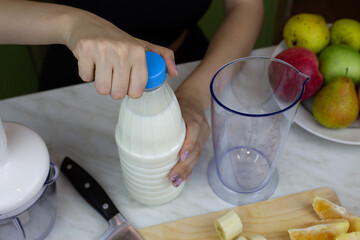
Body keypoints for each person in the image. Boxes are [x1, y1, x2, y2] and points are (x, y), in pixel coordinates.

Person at [0, 0, 264, 188]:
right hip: (76, 83)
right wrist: (74, 24)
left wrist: (195, 96)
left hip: (186, 67)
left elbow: (246, 7)